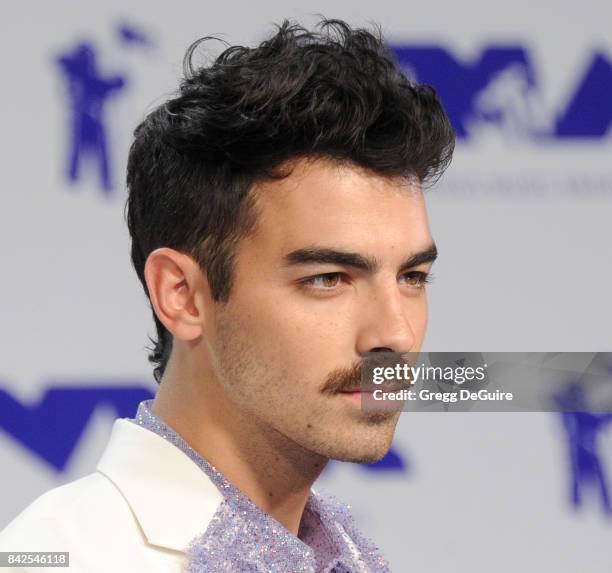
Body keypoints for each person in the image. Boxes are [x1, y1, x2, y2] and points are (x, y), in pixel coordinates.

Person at [0, 18, 454, 572]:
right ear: (182, 295)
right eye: (328, 279)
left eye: (412, 277)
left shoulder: (343, 556)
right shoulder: (64, 560)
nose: (396, 335)